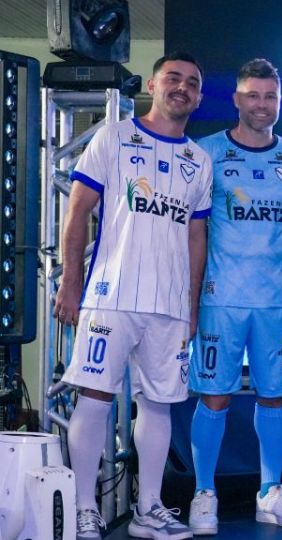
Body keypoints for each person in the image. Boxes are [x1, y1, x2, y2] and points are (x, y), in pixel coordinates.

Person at [54, 52, 211, 540]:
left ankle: (148, 509)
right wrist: (70, 281)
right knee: (95, 396)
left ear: (199, 98)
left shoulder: (199, 160)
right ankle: (85, 509)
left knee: (159, 405)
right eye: (173, 78)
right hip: (112, 295)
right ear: (153, 85)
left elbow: (196, 237)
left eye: (192, 83)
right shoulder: (114, 136)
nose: (182, 87)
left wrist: (192, 306)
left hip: (169, 305)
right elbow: (78, 210)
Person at [186, 58, 282, 535]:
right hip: (221, 298)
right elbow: (194, 227)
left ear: (279, 102)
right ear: (237, 99)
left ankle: (270, 492)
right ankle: (203, 493)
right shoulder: (207, 152)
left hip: (275, 299)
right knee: (214, 395)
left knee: (275, 395)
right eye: (253, 95)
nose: (262, 105)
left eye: (270, 96)